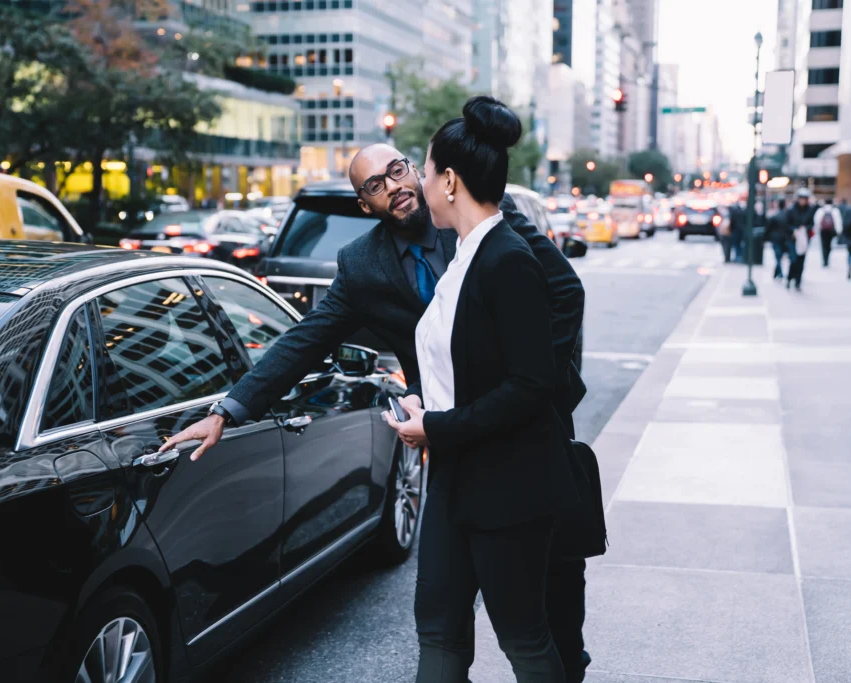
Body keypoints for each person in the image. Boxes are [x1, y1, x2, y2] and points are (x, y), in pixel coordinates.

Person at [158, 139, 592, 678]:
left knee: (548, 608)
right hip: (452, 448)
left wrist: (532, 388)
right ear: (366, 205)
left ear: (419, 170)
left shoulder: (479, 220)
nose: (395, 187)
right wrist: (230, 410)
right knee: (440, 616)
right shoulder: (362, 265)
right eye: (376, 186)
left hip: (526, 440)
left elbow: (565, 295)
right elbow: (306, 339)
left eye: (399, 171)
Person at [384, 95, 575, 683]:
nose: (415, 177)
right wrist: (427, 401)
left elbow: (530, 385)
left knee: (523, 637)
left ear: (448, 181)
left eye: (422, 165)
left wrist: (436, 426)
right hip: (453, 479)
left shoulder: (507, 259)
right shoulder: (465, 255)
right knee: (437, 631)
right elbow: (461, 361)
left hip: (509, 488)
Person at [785, 188, 817, 291]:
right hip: (793, 239)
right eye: (801, 198)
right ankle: (789, 278)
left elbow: (812, 224)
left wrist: (805, 229)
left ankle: (798, 281)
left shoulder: (810, 210)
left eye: (805, 199)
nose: (803, 201)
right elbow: (786, 224)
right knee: (793, 260)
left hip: (804, 239)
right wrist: (794, 230)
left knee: (801, 262)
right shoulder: (791, 210)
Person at [814, 197, 842, 267]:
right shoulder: (835, 210)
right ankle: (827, 258)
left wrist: (818, 229)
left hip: (823, 231)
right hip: (831, 231)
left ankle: (824, 260)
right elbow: (838, 221)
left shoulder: (821, 210)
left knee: (823, 245)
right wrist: (839, 231)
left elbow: (816, 220)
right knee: (829, 245)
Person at [766, 198, 790, 280]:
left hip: (776, 239)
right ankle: (777, 273)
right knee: (779, 256)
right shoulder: (787, 215)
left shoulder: (774, 216)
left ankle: (779, 273)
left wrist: (765, 239)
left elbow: (768, 229)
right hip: (784, 239)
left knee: (778, 256)